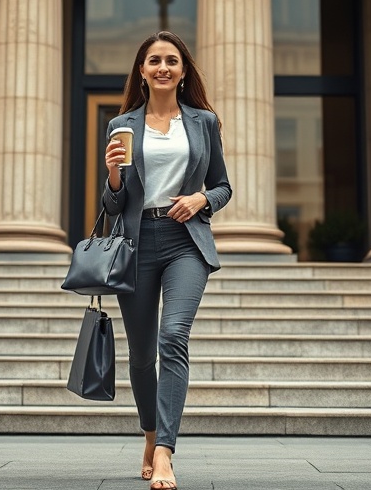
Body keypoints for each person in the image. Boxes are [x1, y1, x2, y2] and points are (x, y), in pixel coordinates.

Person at [102, 31, 232, 490]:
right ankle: (150, 432)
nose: (162, 67)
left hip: (185, 242)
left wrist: (200, 199)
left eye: (171, 61)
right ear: (141, 70)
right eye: (154, 60)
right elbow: (114, 206)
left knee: (172, 336)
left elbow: (223, 185)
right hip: (136, 244)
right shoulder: (122, 125)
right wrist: (114, 175)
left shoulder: (203, 122)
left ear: (182, 70)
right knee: (140, 356)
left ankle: (164, 453)